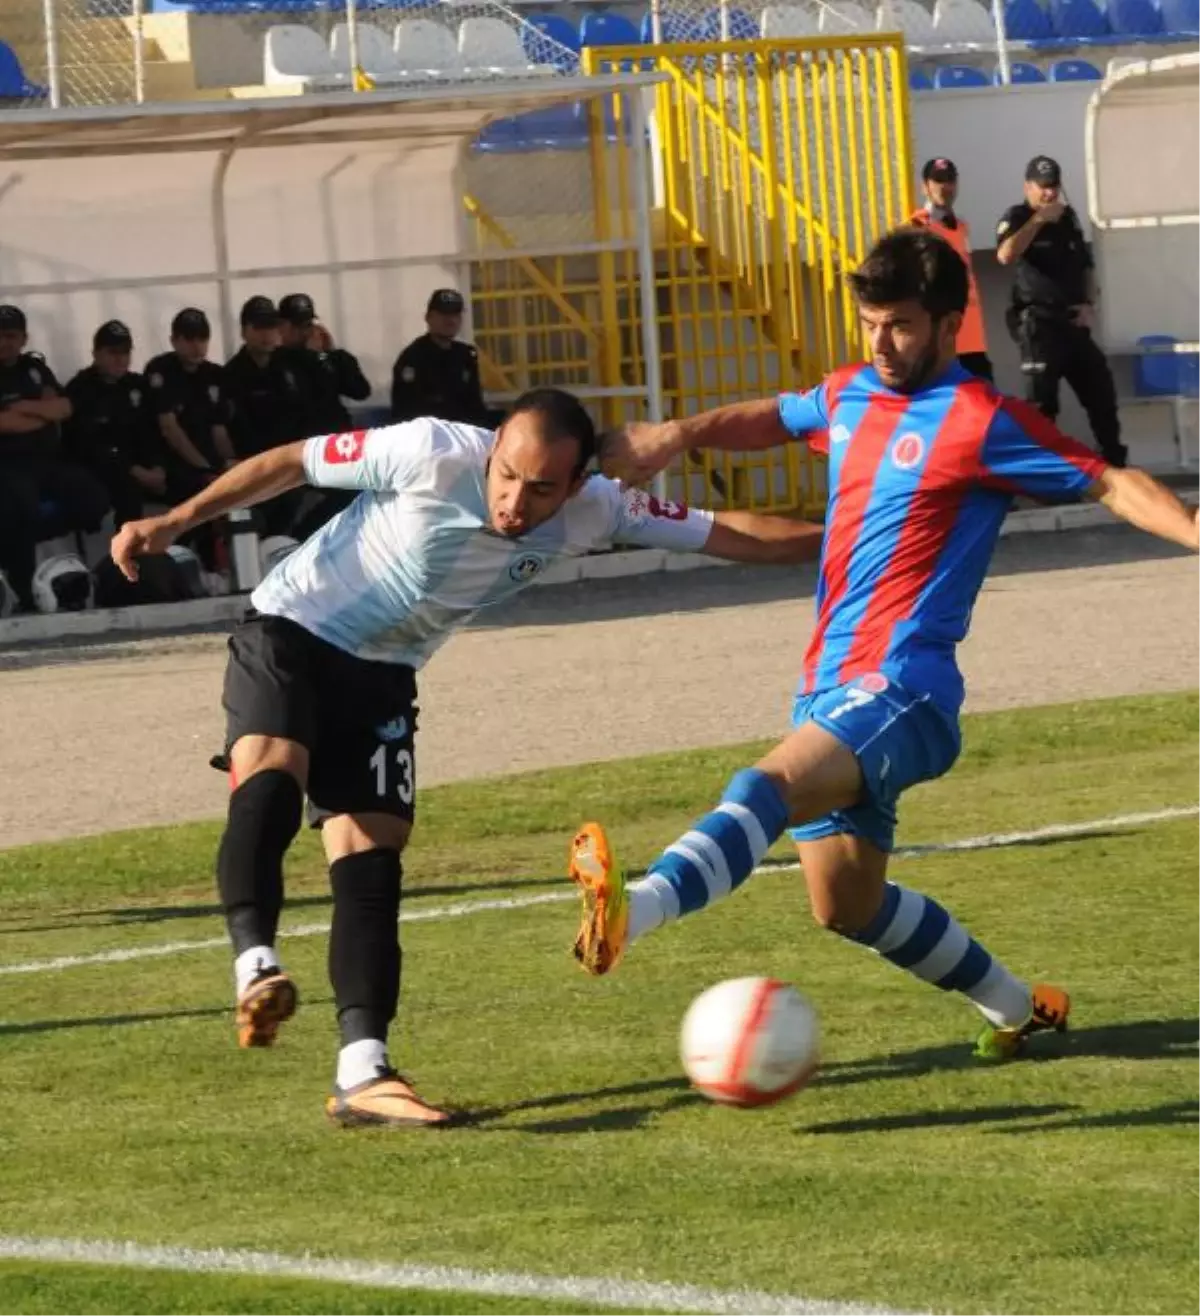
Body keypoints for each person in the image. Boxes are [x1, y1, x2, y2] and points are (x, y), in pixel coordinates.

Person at [568, 226, 1200, 1063]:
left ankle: (632, 911)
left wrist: (1191, 528)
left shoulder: (981, 421)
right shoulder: (851, 394)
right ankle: (1021, 1008)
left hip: (905, 689)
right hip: (828, 687)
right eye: (870, 323)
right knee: (847, 907)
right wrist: (679, 435)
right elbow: (779, 415)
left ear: (946, 325)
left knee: (761, 783)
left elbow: (1109, 480)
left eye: (900, 325)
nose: (882, 342)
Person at [110, 389, 824, 1128]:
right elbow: (294, 462)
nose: (515, 500)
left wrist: (852, 538)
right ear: (494, 449)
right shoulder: (431, 450)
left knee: (371, 855)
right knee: (272, 773)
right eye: (508, 475)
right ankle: (255, 964)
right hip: (293, 626)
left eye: (542, 487)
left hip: (384, 671)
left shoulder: (601, 507)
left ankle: (364, 1074)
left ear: (578, 482)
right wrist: (175, 520)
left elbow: (729, 534)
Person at [996, 155, 1127, 468]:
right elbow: (1005, 254)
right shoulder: (1018, 216)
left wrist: (1089, 304)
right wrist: (1039, 219)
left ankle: (1115, 465)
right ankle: (1046, 475)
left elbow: (1085, 264)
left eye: (1053, 186)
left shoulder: (1068, 218)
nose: (1049, 194)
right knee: (1042, 406)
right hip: (1039, 324)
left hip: (1072, 322)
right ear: (1028, 187)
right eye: (1043, 187)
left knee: (1101, 393)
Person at [0, 304, 109, 611]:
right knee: (19, 509)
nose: (4, 342)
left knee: (94, 496)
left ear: (24, 338)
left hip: (46, 462)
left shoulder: (35, 369)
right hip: (7, 464)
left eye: (11, 335)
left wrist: (19, 407)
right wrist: (39, 413)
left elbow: (63, 409)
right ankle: (23, 591)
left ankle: (81, 578)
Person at [66, 320, 166, 528]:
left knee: (192, 481)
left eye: (125, 352)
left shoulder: (137, 385)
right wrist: (137, 471)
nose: (120, 359)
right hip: (103, 468)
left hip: (141, 464)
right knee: (128, 490)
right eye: (113, 352)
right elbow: (89, 445)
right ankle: (130, 557)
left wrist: (158, 467)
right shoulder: (81, 388)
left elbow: (151, 432)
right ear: (96, 353)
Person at [910, 157, 992, 382]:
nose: (945, 187)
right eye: (938, 181)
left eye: (949, 181)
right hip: (942, 342)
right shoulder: (918, 228)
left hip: (973, 339)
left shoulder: (961, 226)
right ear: (925, 187)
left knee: (985, 408)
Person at [390, 289, 491, 426]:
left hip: (464, 434)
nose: (451, 320)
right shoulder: (413, 357)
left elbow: (475, 404)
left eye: (456, 314)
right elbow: (408, 411)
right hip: (428, 436)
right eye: (444, 314)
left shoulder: (465, 355)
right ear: (428, 317)